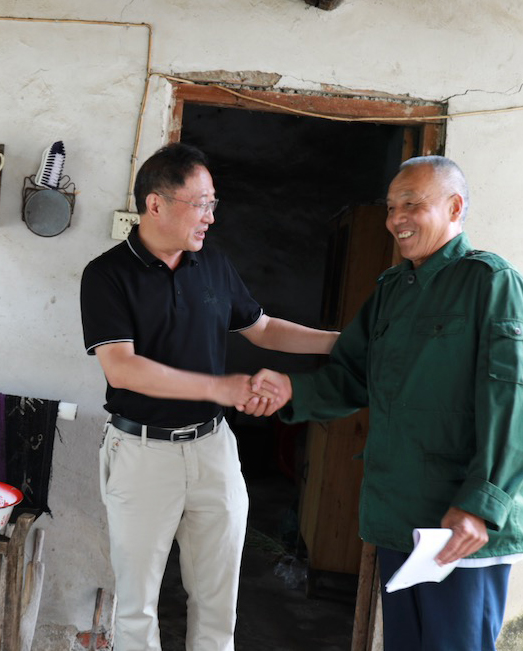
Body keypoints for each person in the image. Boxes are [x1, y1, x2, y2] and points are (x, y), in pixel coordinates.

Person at [250, 156, 523, 651]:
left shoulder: (491, 283)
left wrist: (481, 505)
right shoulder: (392, 289)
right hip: (400, 516)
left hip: (461, 524)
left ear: (455, 208)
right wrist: (292, 391)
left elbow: (516, 403)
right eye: (390, 207)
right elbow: (352, 376)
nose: (395, 219)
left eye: (411, 204)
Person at [79, 142, 339, 651]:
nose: (210, 217)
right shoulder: (107, 274)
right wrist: (219, 387)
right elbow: (122, 368)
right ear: (156, 204)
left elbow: (263, 328)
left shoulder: (213, 264)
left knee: (219, 603)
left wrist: (341, 342)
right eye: (200, 204)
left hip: (212, 449)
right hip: (141, 453)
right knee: (136, 607)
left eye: (212, 203)